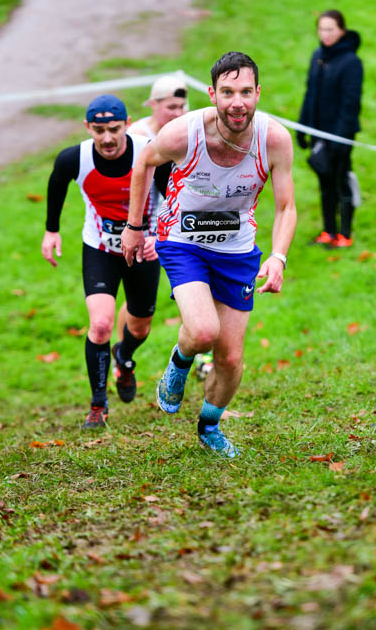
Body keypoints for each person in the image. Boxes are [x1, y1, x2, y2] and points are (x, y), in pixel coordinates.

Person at [121, 51, 297, 458]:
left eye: (246, 92)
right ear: (212, 94)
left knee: (230, 358)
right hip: (184, 241)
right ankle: (180, 361)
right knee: (202, 331)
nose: (238, 102)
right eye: (228, 92)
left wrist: (278, 256)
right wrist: (134, 226)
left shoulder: (274, 139)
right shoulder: (184, 133)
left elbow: (286, 206)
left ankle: (209, 427)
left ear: (258, 93)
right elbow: (144, 163)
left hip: (237, 250)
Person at [41, 94, 160, 429]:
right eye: (99, 130)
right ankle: (98, 404)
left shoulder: (151, 152)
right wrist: (51, 230)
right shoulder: (74, 158)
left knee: (140, 326)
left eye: (114, 129)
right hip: (100, 248)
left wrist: (160, 236)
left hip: (143, 248)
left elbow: (174, 194)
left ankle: (124, 356)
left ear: (127, 124)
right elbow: (56, 184)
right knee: (101, 324)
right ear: (87, 127)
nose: (107, 138)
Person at [114, 75, 188, 341]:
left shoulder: (187, 132)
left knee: (193, 285)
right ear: (153, 104)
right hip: (144, 226)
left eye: (181, 107)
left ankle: (201, 353)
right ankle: (121, 352)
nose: (177, 113)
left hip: (180, 223)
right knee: (137, 299)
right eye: (171, 107)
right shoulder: (137, 136)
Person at [297, 9, 363, 248]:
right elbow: (310, 94)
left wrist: (339, 139)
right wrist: (302, 127)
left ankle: (345, 234)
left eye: (330, 29)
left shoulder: (352, 62)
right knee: (325, 183)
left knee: (341, 182)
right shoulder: (318, 56)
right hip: (318, 133)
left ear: (342, 31)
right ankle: (328, 231)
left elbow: (350, 105)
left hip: (340, 136)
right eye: (321, 29)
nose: (325, 34)